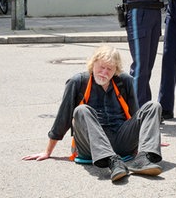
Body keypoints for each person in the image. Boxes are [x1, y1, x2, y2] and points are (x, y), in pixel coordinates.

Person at [22, 46, 164, 182]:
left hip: (121, 140)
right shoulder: (77, 82)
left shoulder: (124, 81)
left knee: (153, 106)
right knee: (81, 110)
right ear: (93, 64)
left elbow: (136, 115)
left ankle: (143, 160)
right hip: (90, 145)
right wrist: (47, 151)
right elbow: (63, 117)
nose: (104, 72)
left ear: (116, 70)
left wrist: (150, 137)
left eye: (109, 69)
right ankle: (112, 161)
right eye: (101, 67)